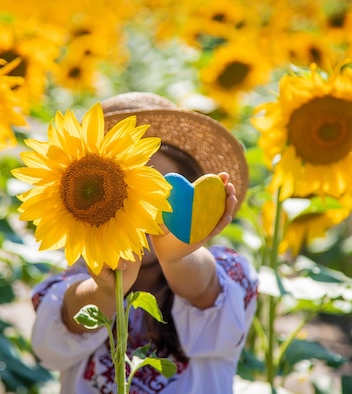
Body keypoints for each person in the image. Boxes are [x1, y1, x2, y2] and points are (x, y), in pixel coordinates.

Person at [29, 92, 259, 394]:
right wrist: (106, 291)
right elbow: (65, 326)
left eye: (158, 192)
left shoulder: (224, 272)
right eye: (129, 192)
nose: (143, 213)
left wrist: (177, 256)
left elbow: (204, 290)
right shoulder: (81, 279)